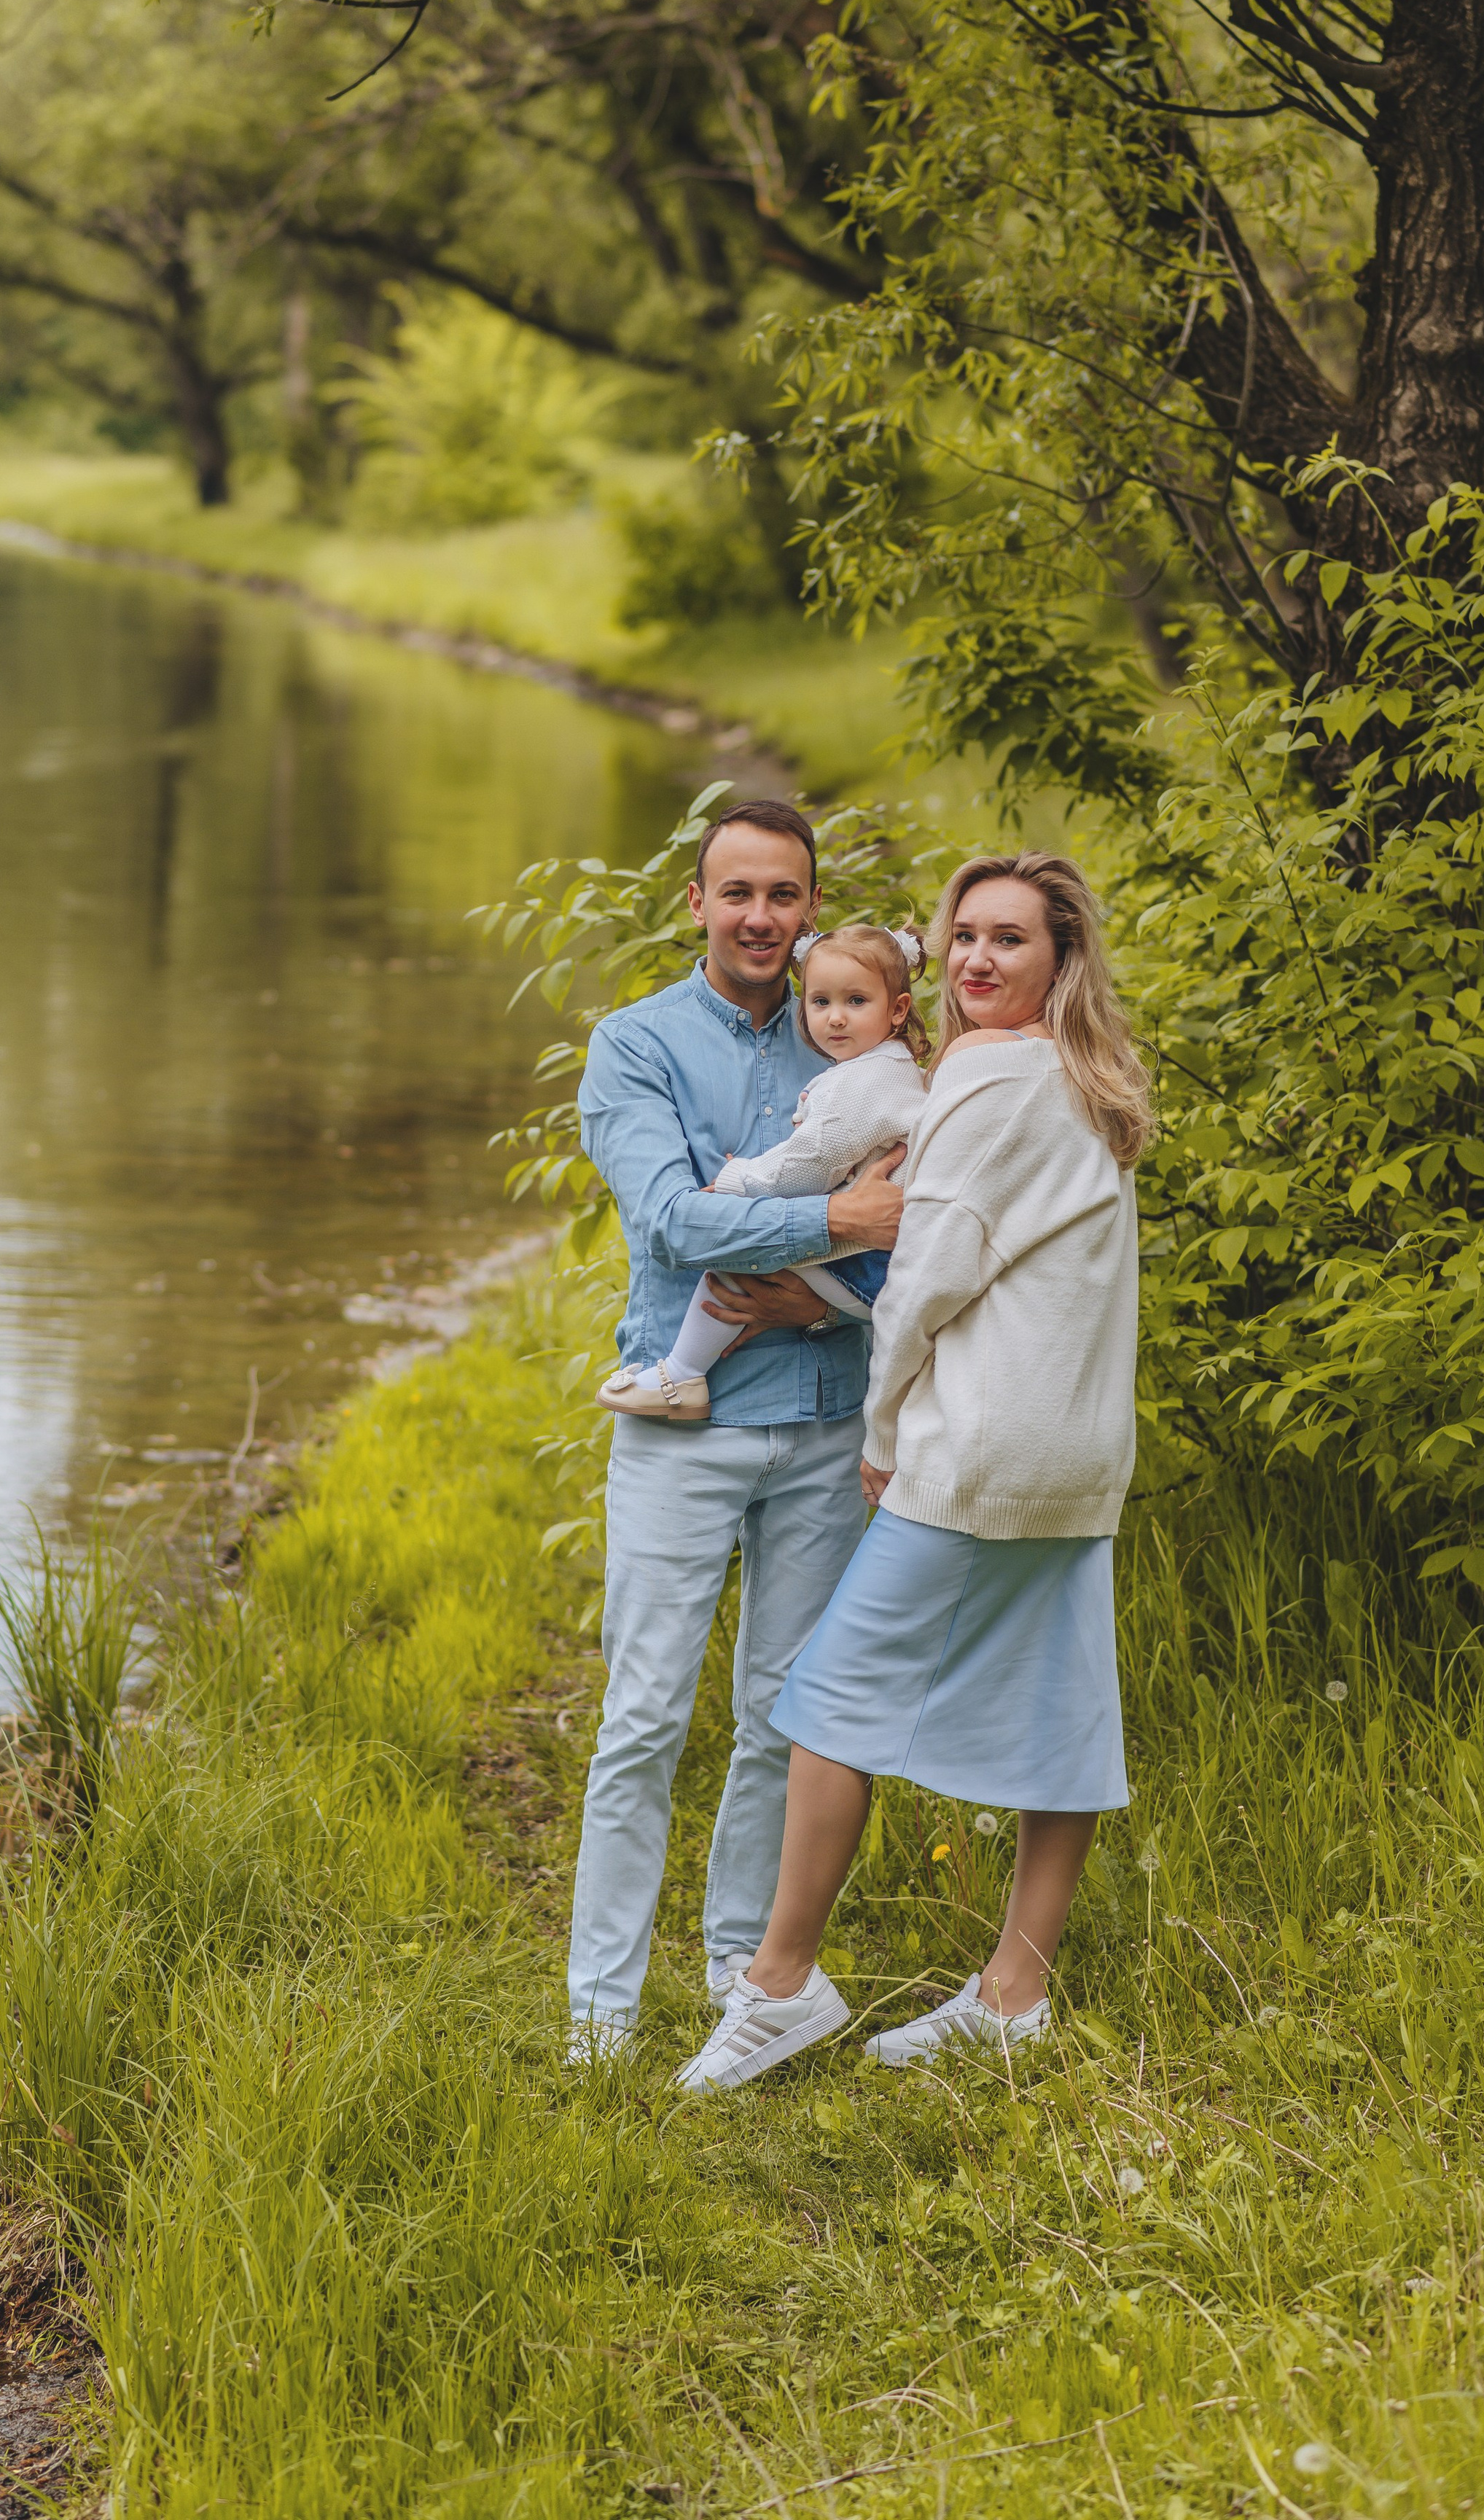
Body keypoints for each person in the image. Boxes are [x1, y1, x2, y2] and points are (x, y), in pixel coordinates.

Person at [673, 849, 1152, 2092]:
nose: (980, 959)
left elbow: (926, 1284)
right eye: (967, 935)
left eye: (1012, 939)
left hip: (982, 1443)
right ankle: (1013, 1994)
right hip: (1075, 1448)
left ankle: (781, 1982)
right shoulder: (1085, 1080)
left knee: (826, 1702)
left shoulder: (988, 1077)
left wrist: (884, 1437)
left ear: (1061, 959)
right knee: (1060, 1707)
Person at [567, 801, 909, 2058]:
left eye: (784, 894)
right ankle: (600, 2013)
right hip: (686, 1427)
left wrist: (827, 1275)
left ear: (811, 905)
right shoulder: (637, 1043)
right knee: (644, 1716)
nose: (760, 917)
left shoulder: (861, 1032)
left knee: (781, 1714)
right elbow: (670, 1224)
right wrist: (841, 1224)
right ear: (698, 902)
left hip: (823, 1421)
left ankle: (742, 1975)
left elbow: (926, 1211)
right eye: (738, 893)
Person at [595, 923, 930, 1421]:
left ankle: (681, 1375)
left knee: (737, 1255)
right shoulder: (883, 1067)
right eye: (820, 1003)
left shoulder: (865, 1081)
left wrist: (740, 1180)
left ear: (898, 1010)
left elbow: (811, 1161)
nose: (836, 1018)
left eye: (856, 1002)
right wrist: (840, 1214)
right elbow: (669, 1224)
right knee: (750, 1240)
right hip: (885, 1264)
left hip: (866, 1265)